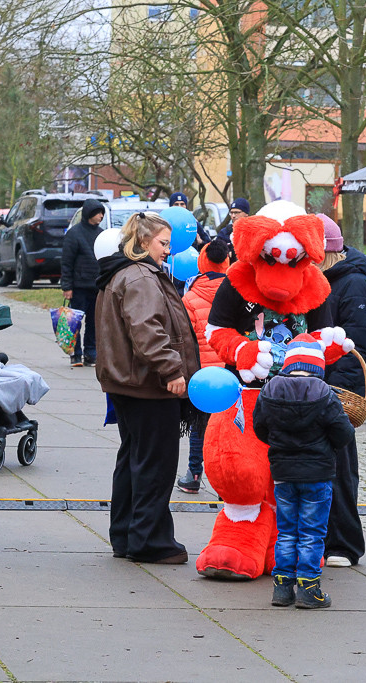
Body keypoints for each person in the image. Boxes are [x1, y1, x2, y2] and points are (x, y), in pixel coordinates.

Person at [95, 211, 201, 564]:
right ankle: (149, 541)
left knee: (135, 460)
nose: (168, 251)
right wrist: (172, 370)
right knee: (154, 464)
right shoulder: (140, 276)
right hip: (147, 385)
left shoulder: (125, 273)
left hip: (129, 384)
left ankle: (127, 535)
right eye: (163, 243)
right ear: (143, 241)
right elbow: (148, 331)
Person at [253, 333, 355, 609]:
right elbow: (343, 434)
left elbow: (259, 428)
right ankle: (309, 588)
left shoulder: (270, 389)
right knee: (312, 532)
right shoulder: (324, 393)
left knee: (286, 530)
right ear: (318, 365)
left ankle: (282, 588)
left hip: (283, 473)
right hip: (317, 474)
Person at [317, 214, 366, 567]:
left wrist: (337, 390)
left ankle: (344, 543)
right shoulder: (324, 279)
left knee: (339, 466)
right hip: (318, 383)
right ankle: (324, 538)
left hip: (337, 388)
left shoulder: (352, 282)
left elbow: (357, 347)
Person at [176, 240, 231, 493]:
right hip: (232, 371)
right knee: (229, 429)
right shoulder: (238, 295)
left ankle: (194, 474)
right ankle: (227, 479)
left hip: (202, 374)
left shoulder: (189, 297)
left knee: (199, 426)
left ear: (202, 262)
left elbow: (183, 338)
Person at [61, 197, 105, 367]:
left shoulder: (101, 234)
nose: (101, 216)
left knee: (94, 322)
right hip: (79, 286)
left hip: (97, 286)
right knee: (75, 322)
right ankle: (76, 353)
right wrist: (67, 286)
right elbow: (66, 261)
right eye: (98, 212)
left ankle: (91, 353)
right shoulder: (74, 234)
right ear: (89, 214)